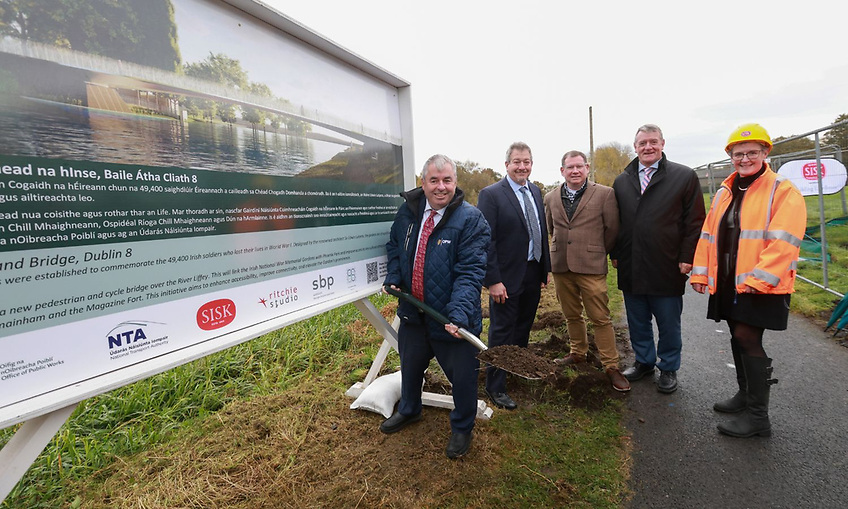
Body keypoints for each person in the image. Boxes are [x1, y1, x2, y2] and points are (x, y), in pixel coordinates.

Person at [691, 124, 806, 438]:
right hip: (730, 281)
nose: (745, 159)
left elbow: (785, 241)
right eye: (738, 154)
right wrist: (701, 272)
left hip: (761, 283)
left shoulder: (782, 189)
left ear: (765, 153)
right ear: (730, 157)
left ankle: (758, 417)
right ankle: (745, 395)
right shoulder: (727, 190)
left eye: (752, 152)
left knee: (747, 337)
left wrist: (759, 280)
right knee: (735, 334)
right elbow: (709, 235)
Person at [382, 154, 491, 459]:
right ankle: (410, 409)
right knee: (411, 365)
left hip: (451, 317)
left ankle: (461, 427)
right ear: (423, 182)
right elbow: (393, 246)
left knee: (464, 376)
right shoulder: (407, 213)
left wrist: (457, 314)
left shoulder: (471, 220)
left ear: (456, 183)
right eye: (434, 180)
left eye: (447, 181)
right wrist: (394, 276)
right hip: (413, 312)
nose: (441, 187)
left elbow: (470, 272)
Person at [611, 124, 706, 393]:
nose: (648, 147)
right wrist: (616, 254)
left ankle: (669, 367)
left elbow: (695, 221)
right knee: (637, 319)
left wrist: (688, 256)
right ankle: (644, 361)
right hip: (631, 263)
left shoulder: (683, 176)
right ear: (635, 147)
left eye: (653, 142)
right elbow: (617, 222)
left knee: (668, 321)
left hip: (667, 263)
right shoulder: (622, 180)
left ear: (663, 143)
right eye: (642, 143)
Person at [544, 150, 629, 392]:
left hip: (591, 266)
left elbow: (612, 229)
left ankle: (611, 366)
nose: (575, 171)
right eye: (569, 167)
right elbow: (551, 228)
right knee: (571, 315)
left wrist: (598, 251)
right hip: (561, 266)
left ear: (587, 168)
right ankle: (577, 352)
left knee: (600, 318)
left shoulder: (604, 194)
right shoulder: (550, 197)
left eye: (579, 166)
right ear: (562, 171)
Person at [477, 141, 551, 409]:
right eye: (517, 162)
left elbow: (541, 231)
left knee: (523, 327)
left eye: (527, 162)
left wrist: (545, 269)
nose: (522, 166)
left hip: (532, 271)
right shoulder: (492, 195)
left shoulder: (535, 191)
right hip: (505, 278)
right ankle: (495, 386)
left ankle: (516, 372)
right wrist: (493, 280)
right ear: (506, 164)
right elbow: (486, 241)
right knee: (501, 331)